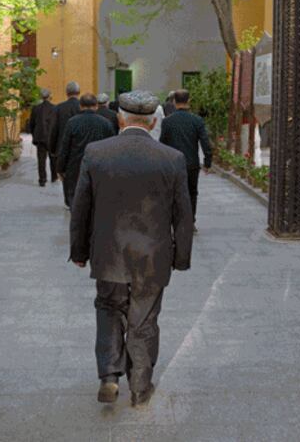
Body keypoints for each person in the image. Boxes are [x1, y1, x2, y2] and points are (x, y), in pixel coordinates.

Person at [70, 90, 194, 408]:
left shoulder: (96, 153)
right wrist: (181, 258)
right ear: (153, 122)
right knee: (145, 319)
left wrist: (80, 251)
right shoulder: (171, 158)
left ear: (121, 119)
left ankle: (110, 376)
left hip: (108, 253)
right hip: (153, 256)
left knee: (109, 308)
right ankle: (140, 386)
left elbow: (81, 208)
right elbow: (183, 215)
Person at [159, 89, 213, 230]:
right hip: (191, 163)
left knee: (171, 192)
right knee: (191, 192)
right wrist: (207, 162)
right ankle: (191, 221)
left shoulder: (167, 122)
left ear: (174, 102)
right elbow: (205, 142)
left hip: (172, 164)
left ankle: (173, 220)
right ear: (189, 101)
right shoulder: (197, 120)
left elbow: (162, 143)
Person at [57, 93, 114, 208]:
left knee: (75, 200)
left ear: (80, 106)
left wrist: (60, 168)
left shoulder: (72, 122)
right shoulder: (106, 123)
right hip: (99, 166)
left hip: (75, 167)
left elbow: (65, 147)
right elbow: (112, 147)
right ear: (96, 106)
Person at [49, 81, 81, 204]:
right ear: (79, 92)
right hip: (80, 145)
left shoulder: (59, 108)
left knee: (65, 173)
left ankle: (68, 200)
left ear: (66, 93)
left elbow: (54, 129)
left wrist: (52, 148)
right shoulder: (82, 106)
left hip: (62, 146)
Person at [28, 88, 57, 186]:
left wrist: (33, 134)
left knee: (41, 159)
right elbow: (56, 124)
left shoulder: (36, 108)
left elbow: (31, 124)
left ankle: (42, 180)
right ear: (49, 96)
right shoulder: (54, 108)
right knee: (53, 157)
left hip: (40, 137)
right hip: (51, 137)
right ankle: (54, 177)